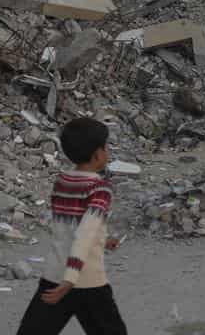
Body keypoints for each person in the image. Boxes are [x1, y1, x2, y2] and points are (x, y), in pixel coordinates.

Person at [16, 117, 127, 335]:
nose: (108, 151)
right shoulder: (100, 189)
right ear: (97, 154)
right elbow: (85, 233)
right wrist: (70, 280)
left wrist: (103, 240)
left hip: (55, 276)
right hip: (85, 280)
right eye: (106, 147)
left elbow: (71, 230)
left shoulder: (62, 182)